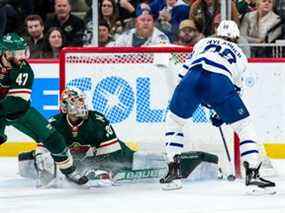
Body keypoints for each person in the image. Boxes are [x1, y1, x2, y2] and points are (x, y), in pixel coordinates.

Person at [159, 20, 276, 194]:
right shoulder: (241, 55)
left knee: (174, 122)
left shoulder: (203, 42)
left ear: (217, 32)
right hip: (219, 81)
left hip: (191, 78)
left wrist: (190, 95)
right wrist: (217, 111)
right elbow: (235, 89)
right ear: (236, 37)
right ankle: (252, 174)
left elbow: (183, 73)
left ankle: (173, 172)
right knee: (244, 127)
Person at [18, 87, 220, 186]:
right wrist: (52, 167)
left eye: (80, 100)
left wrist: (86, 166)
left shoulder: (97, 120)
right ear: (64, 106)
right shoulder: (54, 123)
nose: (79, 105)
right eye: (73, 101)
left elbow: (111, 154)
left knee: (143, 160)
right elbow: (43, 150)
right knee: (31, 158)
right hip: (77, 161)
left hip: (114, 154)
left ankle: (192, 164)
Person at [0, 33, 88, 185]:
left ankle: (70, 172)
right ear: (5, 52)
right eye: (17, 53)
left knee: (55, 139)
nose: (22, 57)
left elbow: (18, 103)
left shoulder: (24, 70)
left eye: (23, 52)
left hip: (21, 112)